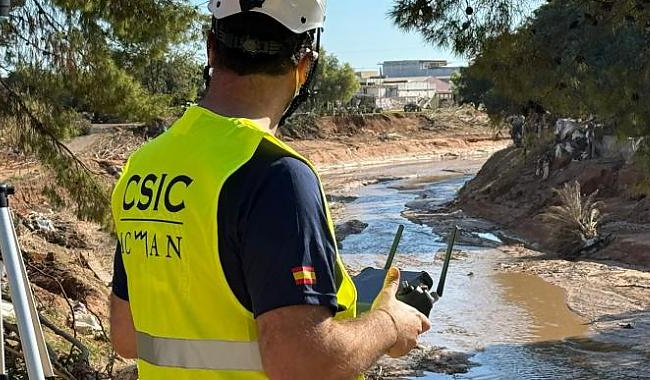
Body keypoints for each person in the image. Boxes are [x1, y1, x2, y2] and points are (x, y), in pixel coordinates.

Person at [108, 1, 431, 379]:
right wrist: (388, 324)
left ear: (211, 47)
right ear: (305, 65)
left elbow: (126, 335)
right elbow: (302, 363)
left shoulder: (144, 166)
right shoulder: (275, 175)